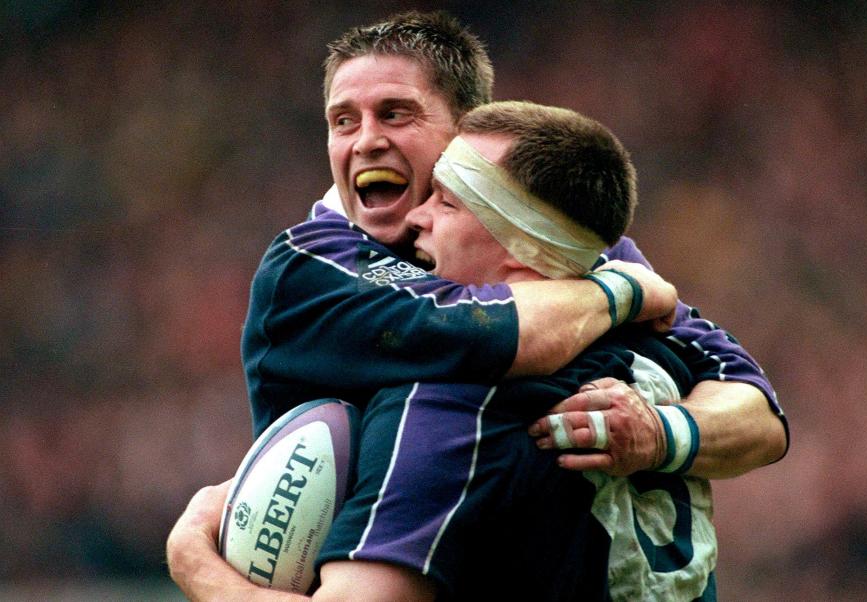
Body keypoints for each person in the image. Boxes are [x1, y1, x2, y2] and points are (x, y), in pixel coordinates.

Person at [168, 8, 786, 599]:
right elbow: (505, 329)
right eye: (343, 121)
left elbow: (760, 416)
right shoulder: (312, 269)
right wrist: (619, 288)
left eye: (396, 113)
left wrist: (659, 433)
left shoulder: (451, 383)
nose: (366, 142)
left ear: (467, 125)